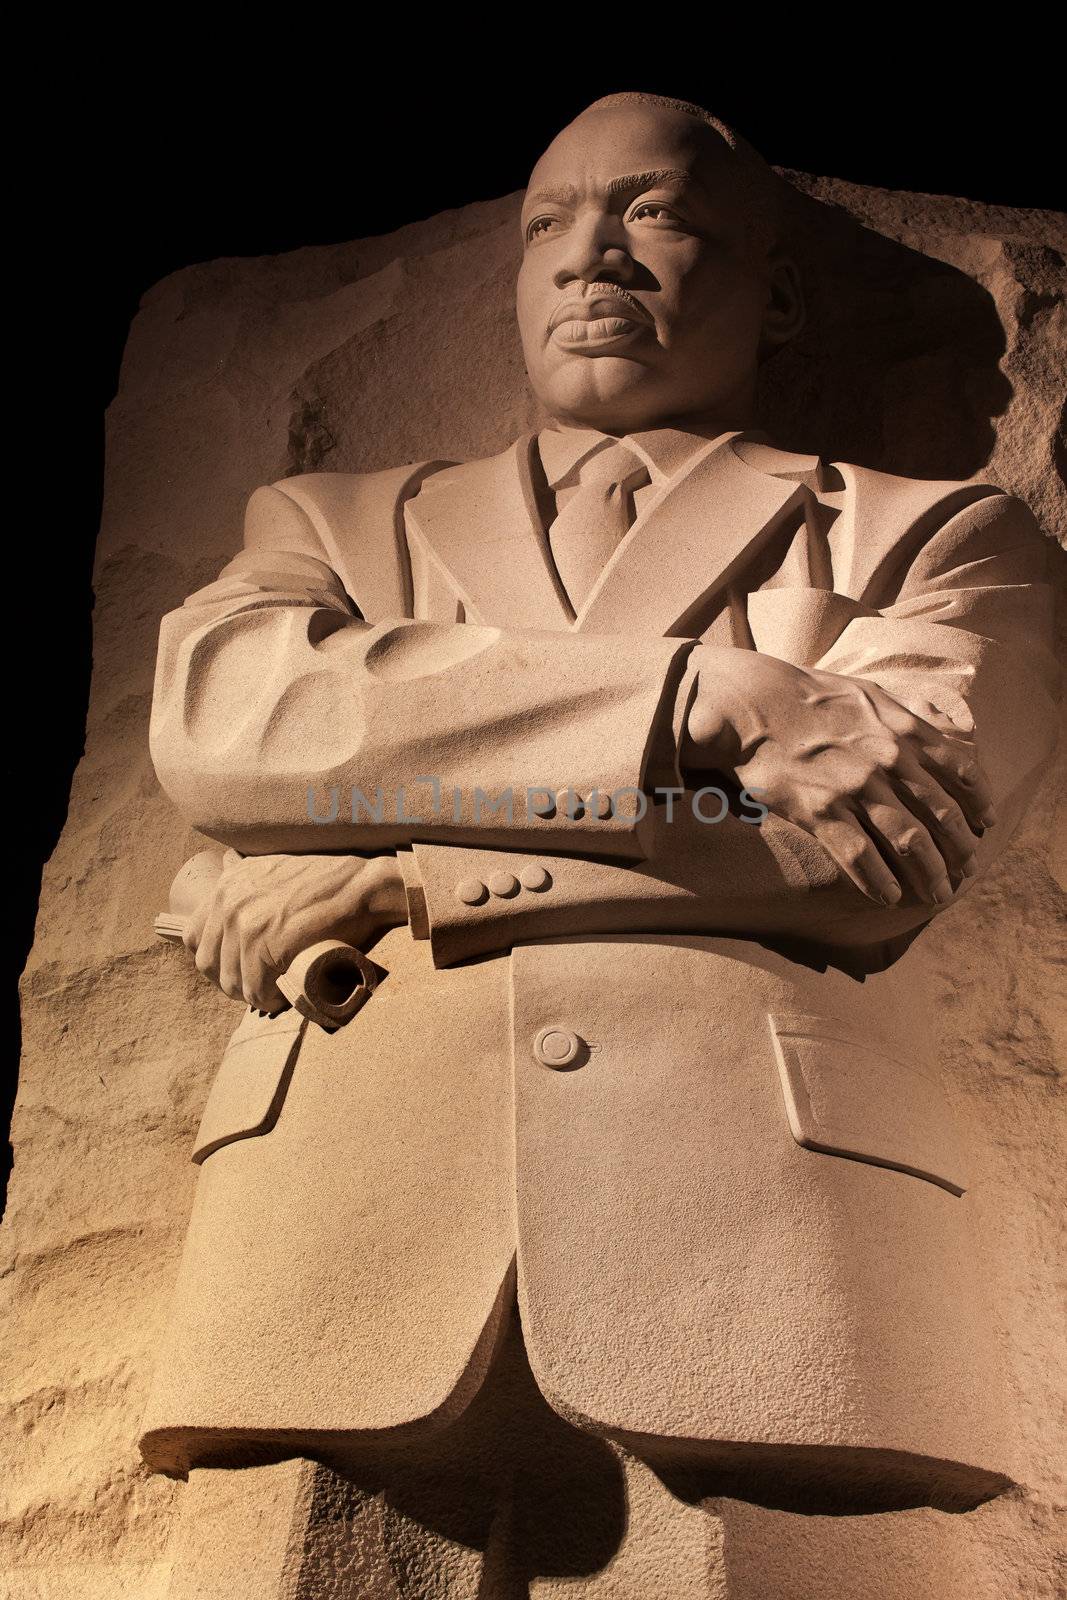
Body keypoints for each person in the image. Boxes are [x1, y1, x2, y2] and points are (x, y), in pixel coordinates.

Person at [141, 93, 1059, 1592]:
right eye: (550, 224)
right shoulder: (338, 525)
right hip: (339, 1212)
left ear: (774, 292)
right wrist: (702, 698)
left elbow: (875, 849)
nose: (592, 259)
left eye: (654, 214)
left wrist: (401, 871)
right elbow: (229, 726)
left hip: (770, 1236)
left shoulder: (938, 534)